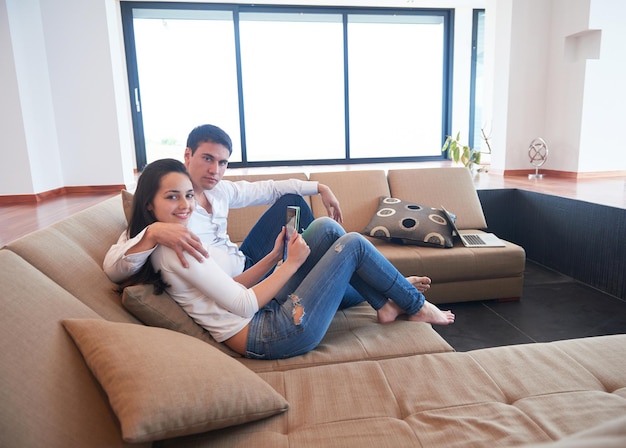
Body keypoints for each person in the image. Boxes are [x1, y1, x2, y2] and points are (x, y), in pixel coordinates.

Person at [121, 158, 454, 360]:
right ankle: (413, 304)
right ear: (149, 204)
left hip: (265, 318)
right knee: (351, 244)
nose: (185, 205)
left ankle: (385, 301)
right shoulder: (171, 248)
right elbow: (242, 304)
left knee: (324, 227)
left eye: (188, 195)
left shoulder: (176, 238)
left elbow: (230, 285)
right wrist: (291, 264)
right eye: (172, 197)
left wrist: (273, 257)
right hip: (269, 335)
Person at [104, 123, 431, 306]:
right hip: (239, 279)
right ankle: (389, 287)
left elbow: (270, 188)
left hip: (247, 257)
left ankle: (296, 256)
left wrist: (319, 187)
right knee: (330, 254)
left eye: (222, 163)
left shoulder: (221, 191)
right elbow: (115, 265)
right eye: (207, 159)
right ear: (187, 155)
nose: (215, 170)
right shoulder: (171, 211)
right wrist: (153, 233)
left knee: (291, 200)